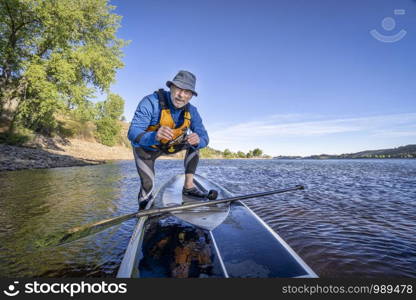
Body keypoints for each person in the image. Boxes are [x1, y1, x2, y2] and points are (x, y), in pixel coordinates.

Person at [128, 70, 209, 210]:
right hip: (147, 149)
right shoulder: (150, 102)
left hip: (171, 145)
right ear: (171, 87)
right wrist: (154, 136)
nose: (181, 95)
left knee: (195, 143)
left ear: (191, 96)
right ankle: (145, 203)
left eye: (187, 92)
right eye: (178, 89)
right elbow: (132, 132)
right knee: (147, 186)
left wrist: (199, 140)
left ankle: (189, 187)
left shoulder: (193, 111)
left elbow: (205, 138)